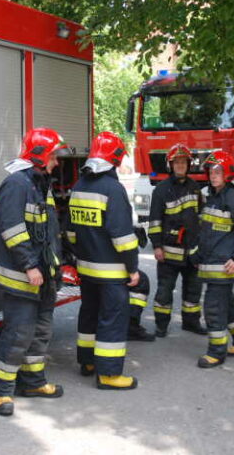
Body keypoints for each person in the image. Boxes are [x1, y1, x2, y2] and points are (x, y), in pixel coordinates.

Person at [0, 127, 70, 416]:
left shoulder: (39, 183)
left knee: (41, 331)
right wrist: (30, 266)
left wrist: (56, 268)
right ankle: (1, 391)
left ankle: (33, 382)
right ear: (40, 156)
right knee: (19, 332)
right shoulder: (16, 184)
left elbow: (48, 232)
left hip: (42, 276)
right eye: (53, 156)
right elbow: (12, 230)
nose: (56, 162)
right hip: (22, 276)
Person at [67, 131, 141, 390]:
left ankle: (87, 362)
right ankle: (109, 374)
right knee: (112, 318)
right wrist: (132, 268)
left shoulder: (78, 186)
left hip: (86, 268)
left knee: (89, 313)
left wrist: (82, 255)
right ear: (116, 159)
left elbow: (71, 232)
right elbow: (123, 238)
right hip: (111, 272)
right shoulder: (113, 189)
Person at [191, 150, 234, 368]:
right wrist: (197, 255)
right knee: (227, 304)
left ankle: (217, 352)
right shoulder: (210, 196)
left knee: (213, 308)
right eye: (211, 171)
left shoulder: (233, 199)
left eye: (218, 171)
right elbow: (207, 232)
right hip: (211, 264)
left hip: (224, 267)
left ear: (227, 173)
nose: (213, 175)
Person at [148, 143, 206, 337]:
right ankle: (161, 325)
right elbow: (155, 221)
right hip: (169, 250)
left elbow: (200, 216)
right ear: (170, 165)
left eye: (184, 162)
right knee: (164, 291)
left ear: (189, 165)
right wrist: (157, 246)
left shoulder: (195, 187)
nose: (181, 165)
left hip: (192, 251)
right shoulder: (161, 190)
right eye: (177, 162)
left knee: (193, 290)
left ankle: (191, 322)